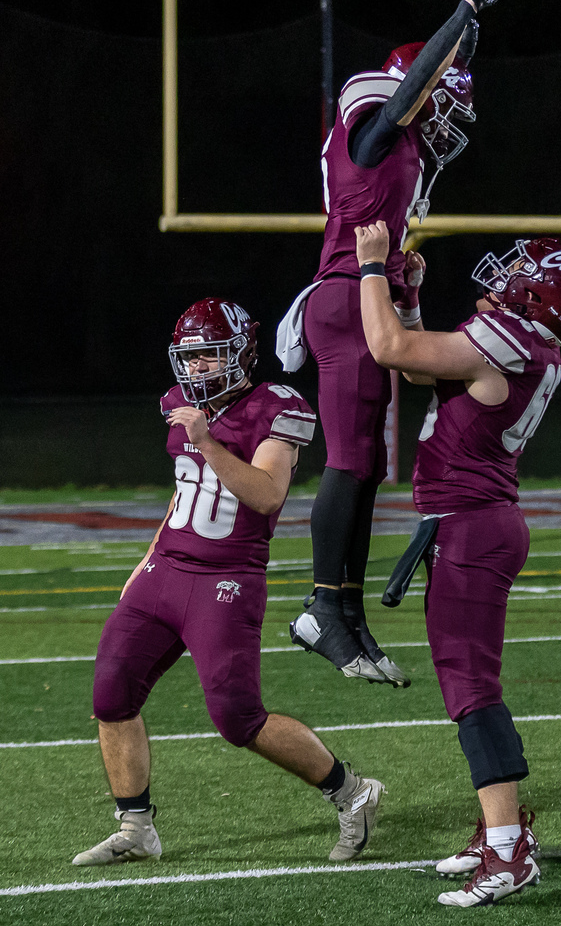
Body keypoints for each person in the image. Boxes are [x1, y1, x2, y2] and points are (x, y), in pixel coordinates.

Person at [72, 297, 384, 867]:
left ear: (240, 354)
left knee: (236, 716)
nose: (198, 370)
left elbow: (266, 495)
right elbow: (182, 494)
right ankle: (136, 826)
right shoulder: (178, 403)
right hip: (165, 571)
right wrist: (143, 564)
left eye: (211, 358)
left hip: (226, 580)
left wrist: (209, 441)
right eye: (190, 359)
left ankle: (352, 791)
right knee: (111, 690)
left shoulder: (275, 407)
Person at [355, 222, 561, 907]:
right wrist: (406, 294)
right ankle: (496, 830)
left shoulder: (511, 342)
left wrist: (372, 268)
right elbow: (415, 361)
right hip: (474, 523)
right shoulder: (528, 347)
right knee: (467, 684)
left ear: (538, 296)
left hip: (471, 528)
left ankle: (505, 851)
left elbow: (385, 349)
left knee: (470, 689)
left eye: (521, 272)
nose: (503, 277)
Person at [278, 0, 504, 688]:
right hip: (345, 301)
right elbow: (404, 94)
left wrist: (470, 34)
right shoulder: (374, 135)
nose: (445, 120)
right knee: (347, 462)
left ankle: (347, 612)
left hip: (364, 299)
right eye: (442, 101)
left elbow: (425, 88)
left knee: (369, 467)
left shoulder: (400, 155)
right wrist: (461, 9)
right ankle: (320, 606)